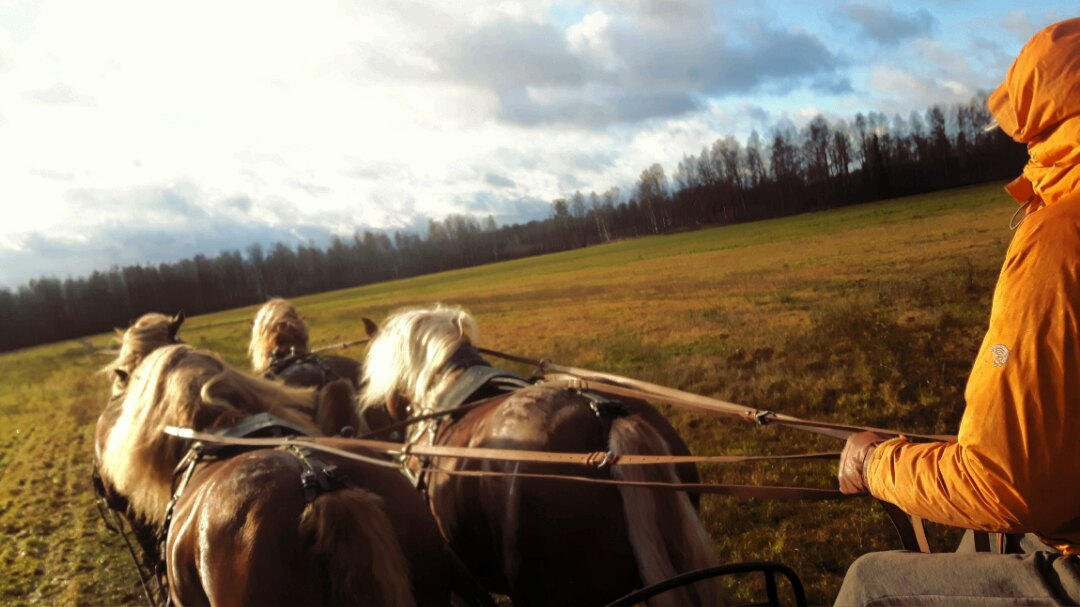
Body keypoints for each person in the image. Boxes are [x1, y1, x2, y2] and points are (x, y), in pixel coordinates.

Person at [835, 18, 1080, 606]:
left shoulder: (1061, 239)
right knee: (977, 542)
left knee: (871, 584)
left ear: (1040, 117)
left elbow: (1007, 486)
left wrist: (875, 464)